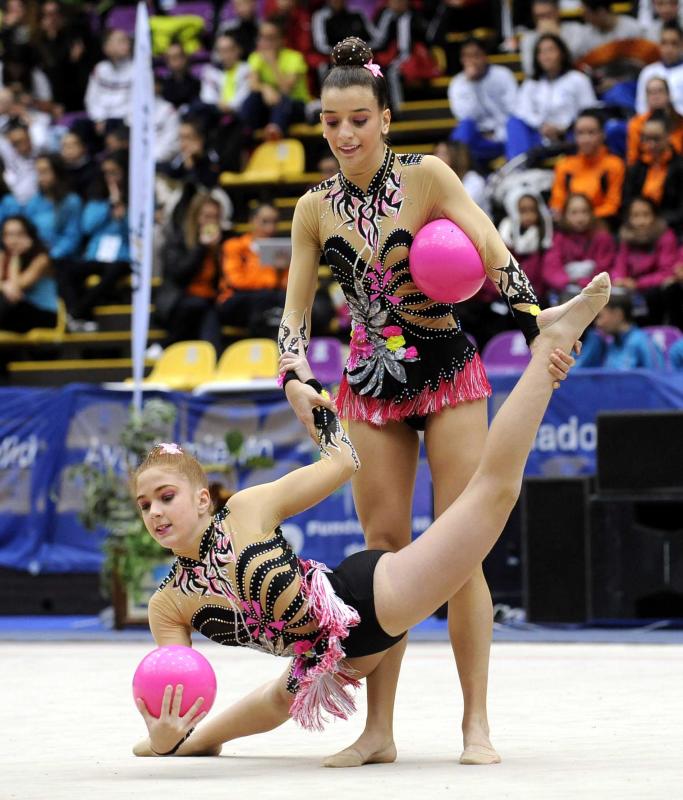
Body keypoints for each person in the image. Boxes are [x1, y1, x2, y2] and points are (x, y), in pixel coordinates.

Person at [131, 273, 611, 759]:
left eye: (166, 496)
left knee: (490, 496)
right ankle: (374, 737)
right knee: (281, 697)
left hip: (365, 599)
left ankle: (547, 354)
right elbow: (186, 687)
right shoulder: (168, 605)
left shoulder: (245, 510)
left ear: (200, 500)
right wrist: (173, 739)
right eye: (145, 504)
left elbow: (342, 463)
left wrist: (313, 407)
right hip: (327, 661)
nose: (155, 512)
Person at [277, 36, 559, 769]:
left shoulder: (427, 177)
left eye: (358, 119)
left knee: (458, 548)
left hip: (446, 373)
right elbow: (294, 316)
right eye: (331, 121)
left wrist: (536, 322)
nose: (344, 134)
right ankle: (378, 730)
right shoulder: (312, 209)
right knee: (384, 557)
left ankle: (475, 723)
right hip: (370, 388)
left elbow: (492, 250)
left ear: (385, 119)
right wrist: (292, 375)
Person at [58, 151, 130, 330]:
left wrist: (124, 216)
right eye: (106, 173)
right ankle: (82, 316)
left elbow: (136, 234)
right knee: (66, 269)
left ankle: (77, 312)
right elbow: (87, 226)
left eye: (115, 172)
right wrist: (109, 206)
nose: (110, 177)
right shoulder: (98, 199)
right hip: (96, 256)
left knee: (113, 272)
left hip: (122, 258)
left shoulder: (136, 201)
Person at [506, 34, 597, 160]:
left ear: (562, 53)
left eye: (550, 50)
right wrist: (542, 125)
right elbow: (522, 111)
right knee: (514, 122)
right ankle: (520, 169)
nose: (546, 56)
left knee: (587, 127)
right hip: (540, 136)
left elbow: (589, 111)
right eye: (541, 52)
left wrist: (562, 128)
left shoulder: (578, 79)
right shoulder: (531, 84)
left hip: (569, 135)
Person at [155, 192, 224, 354]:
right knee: (199, 307)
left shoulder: (223, 243)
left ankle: (167, 347)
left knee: (208, 312)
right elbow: (179, 274)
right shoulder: (178, 240)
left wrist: (218, 252)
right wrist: (201, 248)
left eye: (215, 217)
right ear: (195, 216)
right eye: (206, 216)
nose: (211, 221)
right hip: (180, 301)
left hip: (210, 302)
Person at [217, 202, 288, 337]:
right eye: (265, 222)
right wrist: (270, 281)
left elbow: (287, 284)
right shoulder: (234, 246)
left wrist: (280, 272)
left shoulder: (280, 248)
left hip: (268, 300)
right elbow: (236, 281)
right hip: (236, 300)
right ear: (252, 221)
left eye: (274, 222)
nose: (270, 228)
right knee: (264, 299)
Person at [448, 37, 518, 165]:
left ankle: (519, 171)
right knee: (463, 127)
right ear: (461, 60)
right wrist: (471, 84)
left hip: (506, 137)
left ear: (485, 56)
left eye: (476, 55)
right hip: (479, 140)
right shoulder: (458, 83)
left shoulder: (502, 75)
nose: (472, 61)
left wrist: (498, 133)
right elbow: (465, 116)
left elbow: (514, 109)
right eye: (467, 56)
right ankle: (456, 178)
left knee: (516, 124)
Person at [549, 110, 625, 222]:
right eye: (580, 133)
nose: (585, 139)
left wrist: (584, 219)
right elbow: (557, 202)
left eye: (591, 133)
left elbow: (613, 205)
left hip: (602, 224)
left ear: (602, 135)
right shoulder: (564, 165)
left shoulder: (615, 165)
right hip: (569, 225)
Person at [612, 195, 677, 323]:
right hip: (630, 288)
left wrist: (638, 284)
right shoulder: (626, 237)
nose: (641, 221)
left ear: (654, 216)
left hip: (652, 291)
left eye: (646, 215)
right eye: (635, 216)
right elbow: (619, 265)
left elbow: (666, 272)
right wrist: (619, 279)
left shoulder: (666, 236)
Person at [241, 20, 310, 140]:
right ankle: (244, 130)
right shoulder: (256, 57)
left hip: (295, 106)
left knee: (283, 100)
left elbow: (286, 89)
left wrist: (272, 63)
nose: (265, 42)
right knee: (253, 98)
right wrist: (265, 89)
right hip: (270, 107)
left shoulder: (295, 58)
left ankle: (275, 129)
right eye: (262, 37)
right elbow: (253, 84)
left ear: (282, 40)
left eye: (270, 38)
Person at [543, 193, 616, 299]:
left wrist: (583, 282)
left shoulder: (602, 238)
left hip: (595, 293)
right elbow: (550, 269)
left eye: (584, 211)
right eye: (574, 213)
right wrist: (568, 281)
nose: (580, 218)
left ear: (592, 213)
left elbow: (605, 268)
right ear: (565, 215)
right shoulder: (558, 239)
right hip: (565, 291)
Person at [622, 111, 683, 233]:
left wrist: (661, 222)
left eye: (656, 139)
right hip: (638, 224)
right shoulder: (636, 168)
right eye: (646, 139)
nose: (651, 144)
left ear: (668, 136)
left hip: (672, 227)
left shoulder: (680, 167)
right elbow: (627, 202)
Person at [577, 289, 664, 368]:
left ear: (618, 314)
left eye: (600, 317)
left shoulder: (643, 342)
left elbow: (658, 379)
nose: (597, 323)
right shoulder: (609, 343)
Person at [0, 214, 56, 333]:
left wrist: (15, 257)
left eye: (19, 234)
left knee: (8, 302)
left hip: (44, 314)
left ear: (30, 236)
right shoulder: (3, 257)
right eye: (8, 235)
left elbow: (16, 289)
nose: (13, 240)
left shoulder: (41, 259)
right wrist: (3, 286)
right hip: (15, 312)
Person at [23, 153, 82, 264]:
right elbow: (27, 231)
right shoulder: (34, 201)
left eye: (45, 172)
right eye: (38, 172)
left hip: (62, 260)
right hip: (35, 258)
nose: (41, 177)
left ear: (57, 172)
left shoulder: (71, 201)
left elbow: (72, 237)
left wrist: (51, 257)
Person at [84, 28, 133, 135]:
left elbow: (135, 103)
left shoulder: (137, 69)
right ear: (106, 47)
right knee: (79, 127)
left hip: (126, 121)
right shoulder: (100, 69)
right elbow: (91, 98)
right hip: (102, 120)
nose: (126, 44)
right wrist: (99, 119)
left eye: (126, 41)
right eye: (120, 41)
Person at [519, 0, 585, 75]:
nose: (543, 20)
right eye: (539, 16)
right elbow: (529, 70)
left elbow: (576, 61)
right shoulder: (528, 39)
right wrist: (541, 39)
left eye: (548, 15)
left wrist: (556, 37)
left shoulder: (575, 30)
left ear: (557, 12)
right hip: (543, 83)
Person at [627, 76, 683, 164]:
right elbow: (633, 158)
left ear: (669, 94)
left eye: (660, 91)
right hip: (648, 169)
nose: (656, 96)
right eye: (651, 93)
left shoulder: (680, 121)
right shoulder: (636, 123)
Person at [636, 22, 683, 116]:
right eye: (664, 43)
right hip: (653, 125)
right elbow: (641, 107)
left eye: (674, 43)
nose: (669, 48)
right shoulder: (648, 71)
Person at [160, 42, 201, 112]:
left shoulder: (197, 83)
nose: (174, 60)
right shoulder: (162, 86)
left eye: (177, 56)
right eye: (170, 57)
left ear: (185, 58)